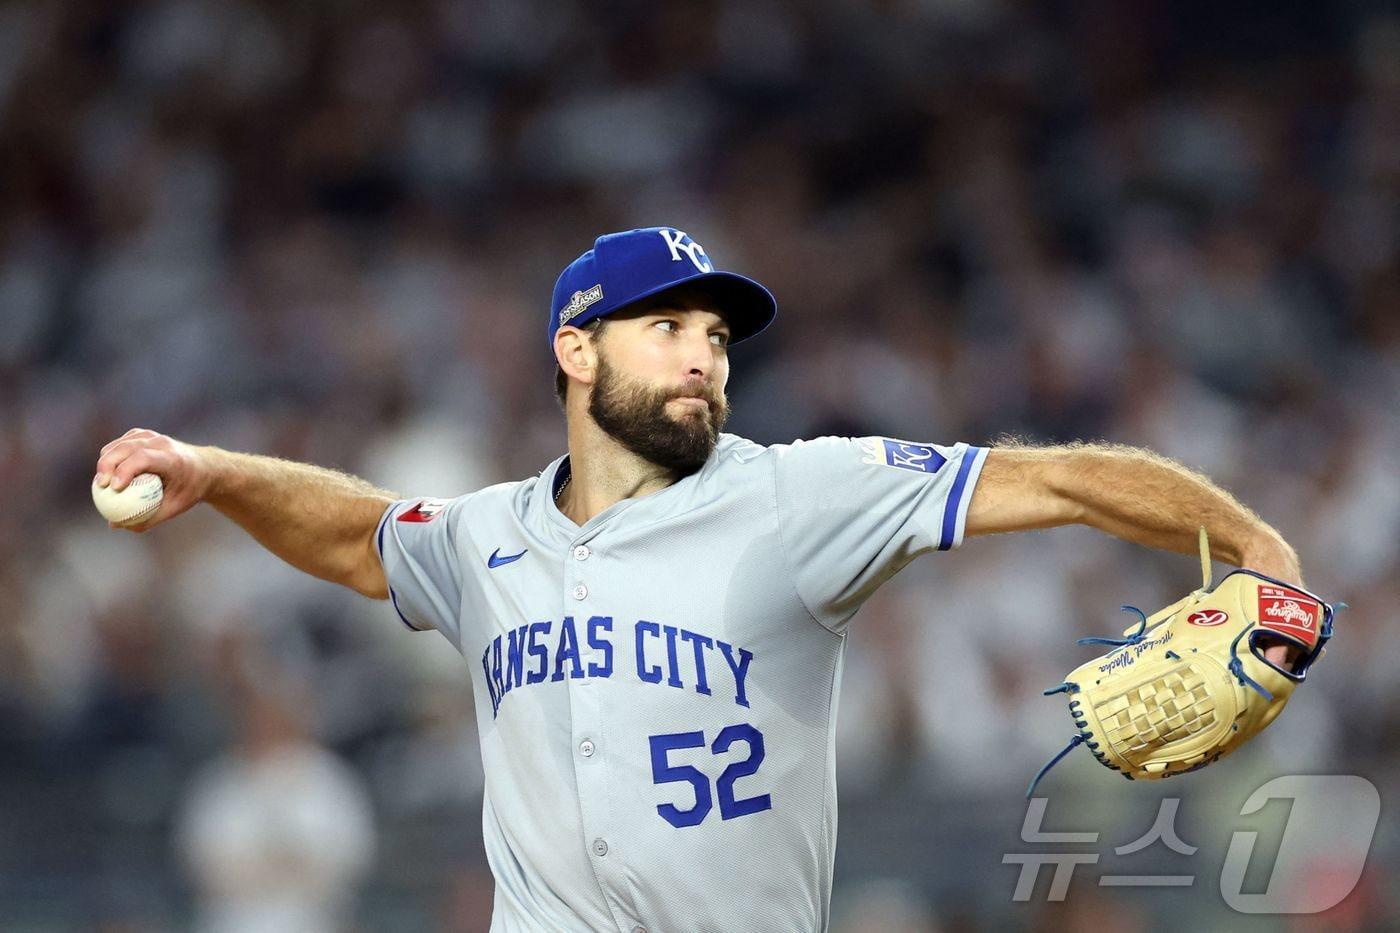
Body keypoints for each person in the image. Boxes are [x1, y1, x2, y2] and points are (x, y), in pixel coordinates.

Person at [95, 227, 1304, 932]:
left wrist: (1256, 549)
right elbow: (361, 538)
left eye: (715, 337)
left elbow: (1058, 480)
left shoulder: (799, 495)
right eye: (665, 328)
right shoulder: (486, 537)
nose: (701, 359)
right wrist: (216, 471)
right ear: (575, 350)